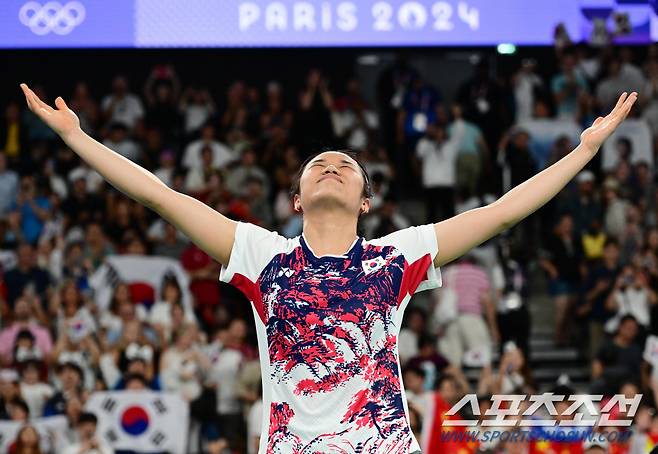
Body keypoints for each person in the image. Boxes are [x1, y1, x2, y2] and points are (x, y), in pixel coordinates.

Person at [19, 83, 637, 453]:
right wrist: (78, 138)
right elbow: (162, 197)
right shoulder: (265, 258)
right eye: (318, 164)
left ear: (366, 199)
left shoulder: (396, 258)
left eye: (344, 163)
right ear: (295, 198)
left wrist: (583, 150)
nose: (332, 166)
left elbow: (502, 212)